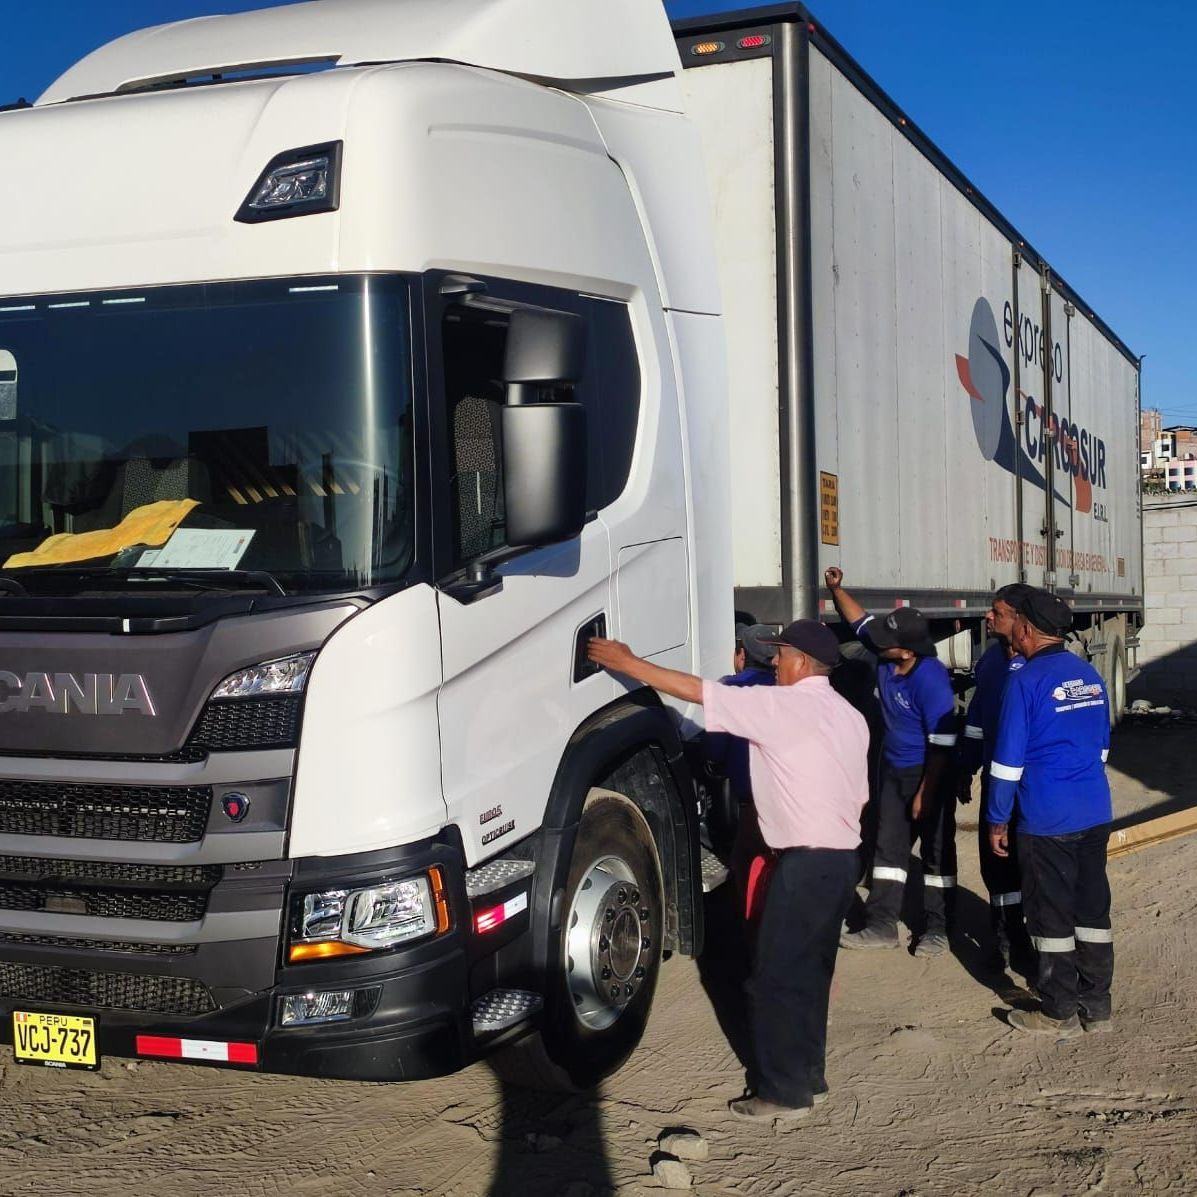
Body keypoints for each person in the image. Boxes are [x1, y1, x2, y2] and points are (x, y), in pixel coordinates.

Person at [588, 620, 868, 1125]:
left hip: (805, 862)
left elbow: (697, 692)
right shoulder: (848, 714)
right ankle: (809, 1076)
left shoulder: (783, 706)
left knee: (774, 977)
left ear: (801, 662)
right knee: (810, 972)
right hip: (842, 858)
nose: (774, 663)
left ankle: (783, 1092)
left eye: (780, 655)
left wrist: (628, 664)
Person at [987, 587, 1113, 1037]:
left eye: (1004, 616)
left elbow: (1007, 761)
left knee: (1051, 916)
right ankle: (1097, 1007)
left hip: (1046, 817)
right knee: (1092, 909)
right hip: (1094, 809)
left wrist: (998, 818)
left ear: (1025, 626)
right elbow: (1101, 747)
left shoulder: (1025, 681)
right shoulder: (1089, 675)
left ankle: (1058, 1009)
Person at [825, 567, 959, 957]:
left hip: (928, 772)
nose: (876, 642)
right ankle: (882, 924)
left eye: (886, 641)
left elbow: (942, 746)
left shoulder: (931, 680)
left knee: (936, 853)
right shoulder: (887, 656)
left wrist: (925, 794)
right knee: (887, 849)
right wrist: (837, 589)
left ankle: (938, 928)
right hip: (893, 770)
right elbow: (858, 620)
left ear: (907, 650)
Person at [957, 584, 1036, 973]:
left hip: (1030, 791)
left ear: (1021, 620)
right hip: (996, 784)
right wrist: (966, 766)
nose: (988, 617)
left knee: (1031, 869)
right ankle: (1008, 945)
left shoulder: (1039, 667)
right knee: (997, 869)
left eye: (996, 612)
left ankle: (1042, 954)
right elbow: (976, 722)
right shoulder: (990, 662)